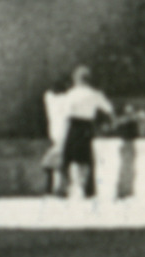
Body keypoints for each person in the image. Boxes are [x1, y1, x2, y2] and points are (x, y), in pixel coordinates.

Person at [45, 61, 114, 198]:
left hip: (73, 125)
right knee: (87, 159)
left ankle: (62, 188)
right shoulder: (95, 94)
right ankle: (88, 190)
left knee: (66, 158)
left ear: (76, 79)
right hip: (87, 126)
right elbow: (109, 109)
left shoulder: (71, 94)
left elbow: (65, 114)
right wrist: (111, 120)